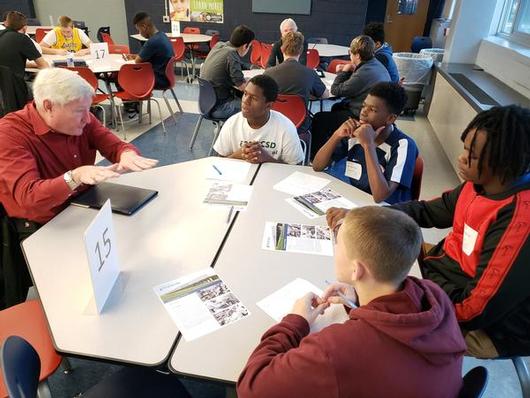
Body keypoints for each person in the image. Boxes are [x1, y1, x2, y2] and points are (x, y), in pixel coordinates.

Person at [328, 105, 530, 359]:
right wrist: (365, 215)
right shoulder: (479, 184)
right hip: (440, 274)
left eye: (473, 155)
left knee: (371, 324)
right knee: (367, 257)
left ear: (505, 162)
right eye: (465, 148)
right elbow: (429, 211)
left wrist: (410, 288)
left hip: (490, 329)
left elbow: (474, 310)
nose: (461, 157)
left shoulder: (520, 221)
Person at [237, 206, 466, 398]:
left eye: (338, 243)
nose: (335, 247)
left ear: (356, 270)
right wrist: (359, 302)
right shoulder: (434, 295)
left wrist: (295, 321)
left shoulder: (335, 350)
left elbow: (252, 387)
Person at [0, 67, 157, 307]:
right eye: (79, 112)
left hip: (80, 206)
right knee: (78, 297)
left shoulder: (82, 117)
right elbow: (29, 196)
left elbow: (113, 144)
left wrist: (125, 154)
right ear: (48, 106)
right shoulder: (10, 133)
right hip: (40, 224)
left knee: (138, 245)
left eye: (88, 110)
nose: (87, 118)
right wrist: (74, 176)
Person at [313, 82, 417, 204]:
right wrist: (336, 135)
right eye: (364, 106)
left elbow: (380, 196)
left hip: (386, 211)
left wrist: (368, 145)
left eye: (372, 109)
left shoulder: (403, 145)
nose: (363, 112)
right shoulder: (357, 133)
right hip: (356, 198)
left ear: (390, 118)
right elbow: (317, 166)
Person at [310, 35, 390, 159]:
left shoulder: (363, 74)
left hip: (362, 116)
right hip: (377, 115)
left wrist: (344, 71)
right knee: (335, 108)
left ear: (357, 55)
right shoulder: (375, 65)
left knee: (319, 119)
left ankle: (316, 157)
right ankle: (338, 147)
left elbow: (335, 90)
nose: (350, 56)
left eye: (350, 53)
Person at [213, 74, 304, 165]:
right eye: (245, 94)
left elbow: (296, 168)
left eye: (253, 98)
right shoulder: (232, 123)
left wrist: (267, 159)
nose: (245, 100)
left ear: (269, 105)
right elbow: (219, 163)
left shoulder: (285, 128)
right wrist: (240, 155)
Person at [264, 31, 327, 133]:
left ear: (281, 49)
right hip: (300, 126)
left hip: (271, 123)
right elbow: (324, 95)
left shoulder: (268, 73)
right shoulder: (310, 73)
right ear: (301, 51)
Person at [200, 25, 255, 119]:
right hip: (219, 107)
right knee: (254, 107)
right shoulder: (232, 54)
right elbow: (242, 87)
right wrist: (253, 82)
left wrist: (251, 67)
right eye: (250, 46)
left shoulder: (219, 45)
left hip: (205, 104)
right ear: (245, 46)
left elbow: (238, 64)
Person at [0, 11, 48, 112]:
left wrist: (32, 65)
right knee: (44, 90)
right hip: (17, 90)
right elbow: (45, 67)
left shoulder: (2, 36)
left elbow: (9, 61)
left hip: (4, 93)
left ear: (6, 24)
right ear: (25, 27)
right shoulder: (22, 39)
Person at [129, 12, 174, 90]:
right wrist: (136, 56)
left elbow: (137, 62)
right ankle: (134, 101)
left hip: (158, 80)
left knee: (124, 76)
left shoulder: (152, 42)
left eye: (139, 30)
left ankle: (132, 101)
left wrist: (136, 57)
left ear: (144, 27)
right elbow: (152, 57)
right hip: (166, 78)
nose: (140, 33)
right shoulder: (162, 35)